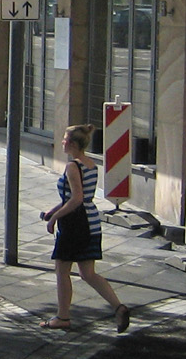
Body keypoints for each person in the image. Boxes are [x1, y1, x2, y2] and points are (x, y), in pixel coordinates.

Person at [39, 124, 132, 332]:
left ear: (72, 143)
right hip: (91, 224)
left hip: (75, 225)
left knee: (62, 270)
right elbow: (77, 197)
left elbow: (76, 199)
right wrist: (52, 211)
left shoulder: (73, 166)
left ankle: (62, 317)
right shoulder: (91, 164)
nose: (62, 142)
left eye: (64, 139)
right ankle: (118, 307)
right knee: (88, 273)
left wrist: (55, 219)